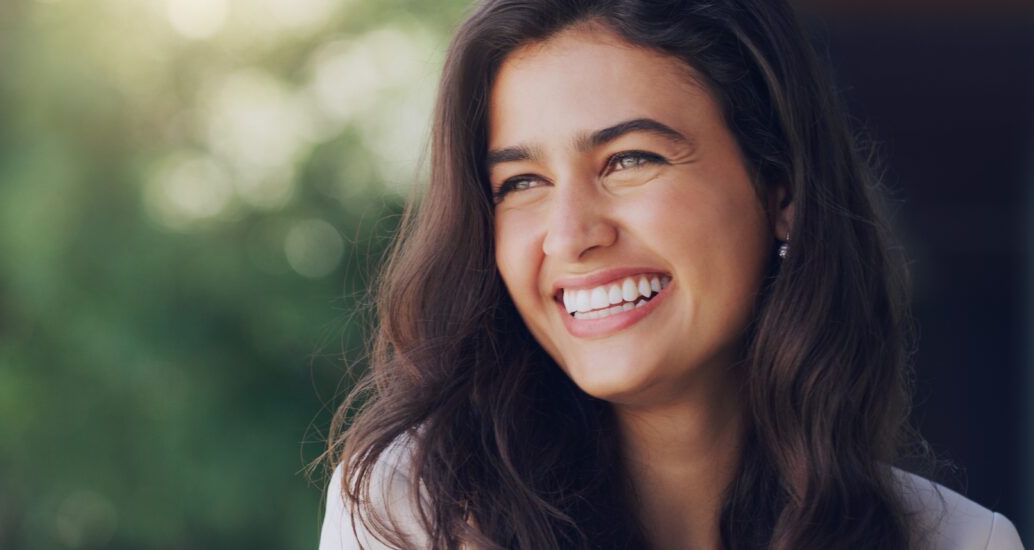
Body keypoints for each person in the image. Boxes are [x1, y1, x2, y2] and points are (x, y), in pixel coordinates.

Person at [316, 0, 1026, 548]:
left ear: (780, 192)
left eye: (630, 160)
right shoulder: (416, 509)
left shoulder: (960, 542)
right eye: (521, 182)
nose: (570, 235)